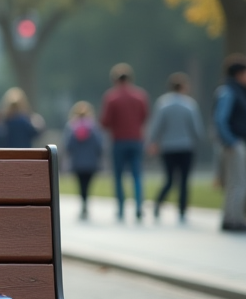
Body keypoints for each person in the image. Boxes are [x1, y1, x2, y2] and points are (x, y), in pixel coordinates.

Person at [146, 73, 206, 223]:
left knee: (169, 179)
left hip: (168, 147)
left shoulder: (163, 104)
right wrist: (200, 140)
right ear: (183, 87)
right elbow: (196, 129)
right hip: (186, 147)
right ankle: (182, 210)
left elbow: (156, 126)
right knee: (184, 180)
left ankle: (158, 203)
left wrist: (152, 141)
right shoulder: (190, 105)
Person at [100, 63, 150, 221]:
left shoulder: (111, 97)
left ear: (115, 80)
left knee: (118, 176)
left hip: (119, 140)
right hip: (136, 139)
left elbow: (105, 121)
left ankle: (121, 208)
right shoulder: (140, 96)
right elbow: (145, 116)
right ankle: (138, 206)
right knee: (137, 175)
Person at [214, 55, 246, 232]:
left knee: (235, 183)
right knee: (240, 183)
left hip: (236, 143)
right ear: (239, 74)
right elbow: (221, 120)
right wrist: (232, 141)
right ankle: (235, 220)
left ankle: (230, 218)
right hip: (236, 143)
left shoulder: (235, 91)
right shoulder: (229, 92)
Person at [65, 101, 103, 221]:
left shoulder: (72, 126)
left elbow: (68, 145)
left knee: (81, 185)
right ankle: (86, 203)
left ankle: (83, 203)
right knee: (88, 185)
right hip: (91, 162)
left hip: (78, 162)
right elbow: (99, 145)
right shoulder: (93, 127)